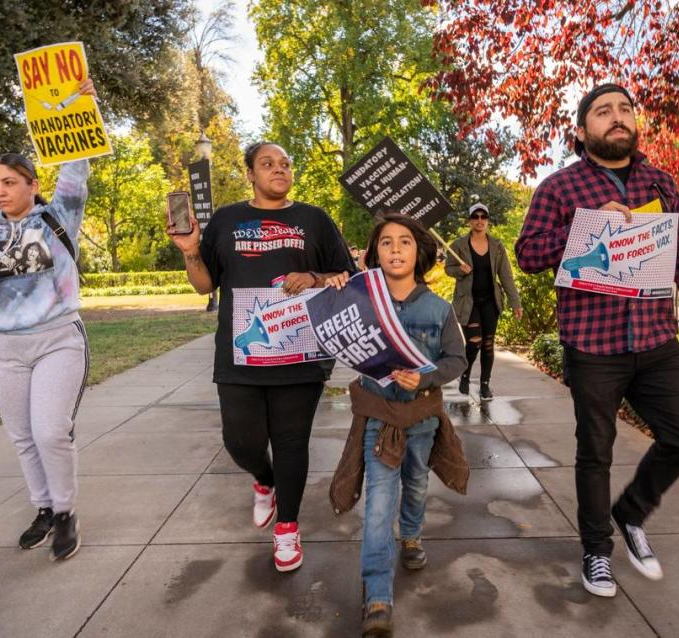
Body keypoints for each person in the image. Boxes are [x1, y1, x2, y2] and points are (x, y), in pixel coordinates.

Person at [515, 83, 679, 598]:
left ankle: (630, 511)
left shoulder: (662, 183)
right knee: (596, 452)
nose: (617, 118)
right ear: (581, 130)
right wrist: (586, 229)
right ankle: (596, 552)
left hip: (657, 341)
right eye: (603, 111)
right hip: (593, 346)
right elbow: (527, 255)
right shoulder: (560, 189)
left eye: (625, 110)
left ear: (635, 123)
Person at [168, 141, 355, 572]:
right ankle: (264, 479)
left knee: (291, 443)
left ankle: (287, 527)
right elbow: (202, 285)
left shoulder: (314, 220)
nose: (279, 169)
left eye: (285, 163)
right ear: (250, 173)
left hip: (299, 350)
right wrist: (191, 249)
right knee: (241, 440)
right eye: (267, 163)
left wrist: (311, 276)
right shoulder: (228, 220)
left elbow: (346, 275)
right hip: (242, 352)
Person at [0, 78, 97, 562]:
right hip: (2, 347)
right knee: (21, 435)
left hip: (57, 339)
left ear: (32, 185)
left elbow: (76, 168)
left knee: (50, 431)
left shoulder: (58, 218)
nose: (0, 191)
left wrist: (81, 105)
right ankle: (43, 508)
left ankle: (67, 512)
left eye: (9, 182)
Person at [324, 214, 469, 638]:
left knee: (417, 484)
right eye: (385, 243)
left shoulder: (439, 309)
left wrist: (424, 377)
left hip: (422, 419)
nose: (395, 249)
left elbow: (456, 360)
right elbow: (329, 323)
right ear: (374, 255)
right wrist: (333, 290)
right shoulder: (362, 303)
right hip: (377, 419)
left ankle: (411, 536)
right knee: (378, 503)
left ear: (419, 252)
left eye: (404, 242)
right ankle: (377, 596)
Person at [445, 201, 523, 400]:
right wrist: (460, 271)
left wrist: (516, 303)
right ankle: (465, 374)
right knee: (474, 343)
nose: (480, 220)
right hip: (468, 302)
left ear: (487, 220)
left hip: (490, 301)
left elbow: (506, 276)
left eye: (483, 217)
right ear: (470, 221)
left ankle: (485, 384)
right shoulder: (458, 245)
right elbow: (448, 268)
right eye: (476, 217)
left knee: (488, 344)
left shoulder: (497, 246)